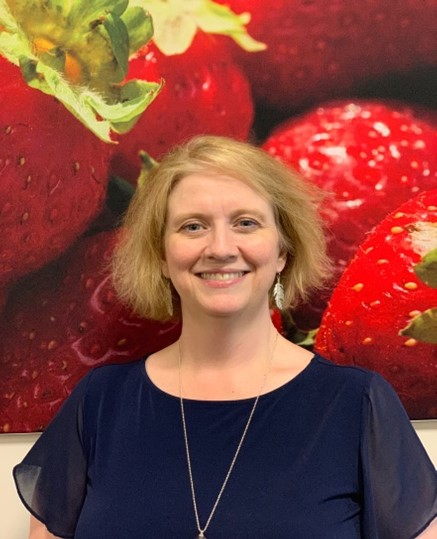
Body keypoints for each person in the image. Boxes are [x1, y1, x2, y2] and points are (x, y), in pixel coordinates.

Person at [14, 135, 437, 539]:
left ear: (283, 251)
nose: (220, 248)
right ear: (161, 256)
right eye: (193, 226)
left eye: (246, 223)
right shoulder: (99, 402)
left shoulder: (358, 404)